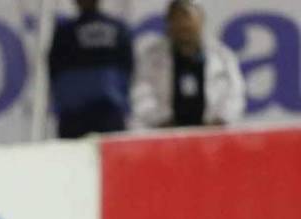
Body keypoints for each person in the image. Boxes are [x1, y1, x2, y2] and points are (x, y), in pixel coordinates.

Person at [131, 0, 245, 129]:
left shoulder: (222, 56)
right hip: (165, 133)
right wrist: (161, 121)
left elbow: (235, 94)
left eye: (187, 18)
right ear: (168, 23)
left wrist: (220, 119)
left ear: (201, 20)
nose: (183, 24)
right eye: (176, 19)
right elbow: (141, 94)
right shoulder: (151, 57)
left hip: (212, 132)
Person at [48, 0, 133, 138]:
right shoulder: (65, 33)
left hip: (91, 117)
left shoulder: (65, 32)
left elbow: (128, 71)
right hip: (88, 117)